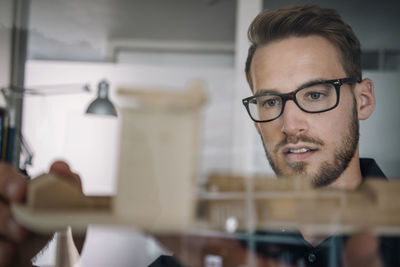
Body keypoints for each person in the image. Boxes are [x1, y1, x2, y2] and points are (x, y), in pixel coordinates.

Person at [0, 4, 398, 267]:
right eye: (269, 101)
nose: (290, 124)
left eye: (314, 94)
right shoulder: (211, 251)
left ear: (362, 100)